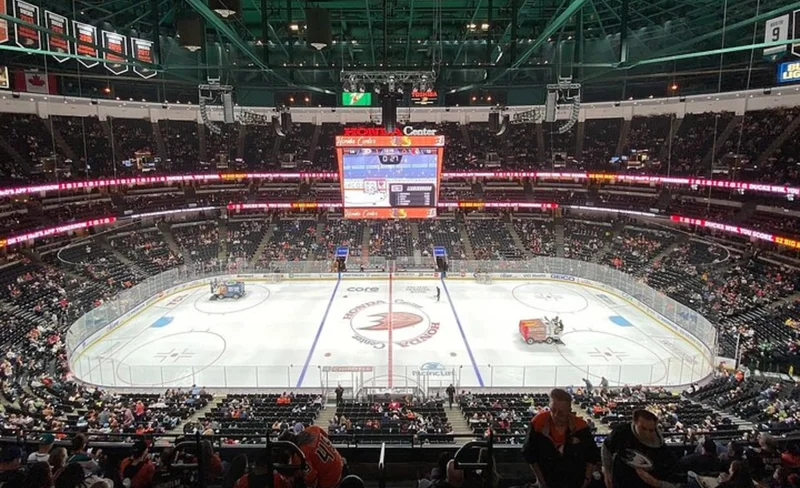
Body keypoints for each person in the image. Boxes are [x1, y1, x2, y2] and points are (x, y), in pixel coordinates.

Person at [522, 388, 599, 488]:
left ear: (569, 410)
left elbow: (591, 455)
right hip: (547, 481)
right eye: (553, 410)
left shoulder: (581, 427)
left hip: (575, 482)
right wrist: (540, 481)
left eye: (561, 413)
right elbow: (529, 454)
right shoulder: (538, 423)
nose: (556, 415)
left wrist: (587, 479)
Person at [601, 409, 680, 488]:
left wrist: (655, 482)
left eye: (651, 430)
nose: (647, 433)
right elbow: (607, 447)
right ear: (634, 422)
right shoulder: (622, 431)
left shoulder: (662, 450)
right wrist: (607, 470)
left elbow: (677, 483)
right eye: (643, 428)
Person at [277, 425, 345, 488]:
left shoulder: (300, 455)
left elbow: (311, 479)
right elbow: (326, 436)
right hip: (339, 461)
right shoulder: (313, 429)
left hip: (331, 479)